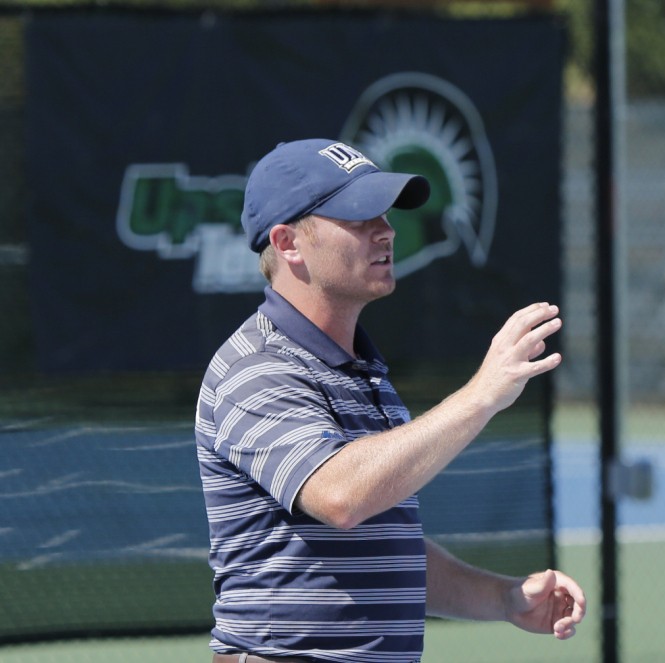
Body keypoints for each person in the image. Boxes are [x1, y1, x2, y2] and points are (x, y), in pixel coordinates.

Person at [195, 138, 586, 663]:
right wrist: (482, 395)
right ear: (288, 242)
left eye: (382, 213)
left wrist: (506, 599)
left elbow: (386, 551)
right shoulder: (257, 367)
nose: (385, 231)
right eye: (356, 217)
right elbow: (342, 497)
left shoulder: (364, 374)